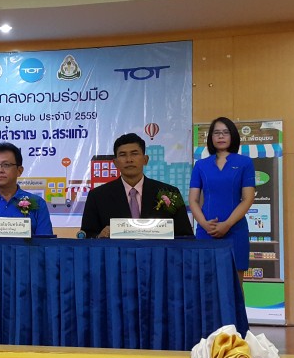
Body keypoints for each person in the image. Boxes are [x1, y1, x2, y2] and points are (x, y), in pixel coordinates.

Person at [80, 133, 193, 238]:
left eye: (134, 154)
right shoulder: (97, 196)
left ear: (145, 160)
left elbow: (185, 236)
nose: (129, 160)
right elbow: (87, 236)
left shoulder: (170, 193)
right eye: (123, 155)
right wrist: (99, 236)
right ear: (115, 163)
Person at [189, 117, 256, 280]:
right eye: (216, 133)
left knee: (235, 285)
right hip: (206, 231)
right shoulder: (200, 165)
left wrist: (227, 224)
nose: (221, 136)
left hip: (235, 230)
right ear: (211, 137)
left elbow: (247, 199)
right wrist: (205, 224)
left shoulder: (245, 163)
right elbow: (193, 200)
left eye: (225, 132)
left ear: (233, 136)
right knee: (206, 283)